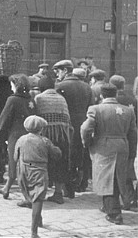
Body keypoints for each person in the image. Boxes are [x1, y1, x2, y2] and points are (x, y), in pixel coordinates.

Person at [81, 84, 137, 225]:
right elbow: (133, 133)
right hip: (122, 145)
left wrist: (88, 142)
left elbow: (86, 128)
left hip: (104, 146)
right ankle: (108, 206)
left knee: (106, 179)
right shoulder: (128, 110)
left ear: (101, 95)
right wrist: (132, 152)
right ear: (116, 94)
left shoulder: (95, 109)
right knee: (118, 177)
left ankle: (114, 213)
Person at [15, 115, 62, 238]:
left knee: (32, 195)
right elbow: (56, 154)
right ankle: (34, 232)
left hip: (23, 169)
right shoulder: (44, 141)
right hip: (39, 170)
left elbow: (15, 156)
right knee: (38, 199)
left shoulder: (21, 139)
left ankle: (39, 220)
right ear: (41, 128)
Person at [53, 59, 93, 198]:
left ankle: (68, 188)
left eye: (58, 71)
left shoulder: (60, 86)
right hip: (82, 125)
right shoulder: (87, 87)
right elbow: (91, 107)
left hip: (67, 126)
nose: (57, 74)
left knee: (66, 156)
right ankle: (79, 182)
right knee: (79, 155)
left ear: (65, 71)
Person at [0, 73, 36, 202]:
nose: (10, 87)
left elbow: (4, 118)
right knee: (26, 163)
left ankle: (27, 197)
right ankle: (6, 188)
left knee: (14, 163)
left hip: (16, 136)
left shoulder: (12, 99)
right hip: (30, 135)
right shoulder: (30, 99)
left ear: (16, 85)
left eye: (12, 84)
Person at [34, 75, 72, 205]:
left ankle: (40, 192)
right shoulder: (61, 98)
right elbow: (67, 119)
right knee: (60, 163)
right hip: (62, 136)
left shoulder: (39, 98)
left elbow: (37, 118)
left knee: (43, 164)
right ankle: (58, 193)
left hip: (45, 136)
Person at [109, 75, 138, 211]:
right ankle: (131, 198)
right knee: (127, 170)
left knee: (116, 172)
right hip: (130, 137)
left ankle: (120, 200)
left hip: (116, 138)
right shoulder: (132, 99)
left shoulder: (113, 100)